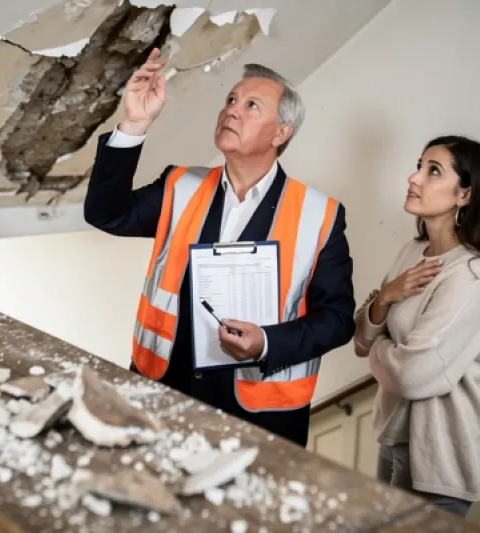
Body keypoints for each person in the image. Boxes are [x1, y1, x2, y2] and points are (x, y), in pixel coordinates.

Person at [83, 48, 356, 446]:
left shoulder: (321, 214)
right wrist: (134, 124)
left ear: (281, 133)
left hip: (260, 420)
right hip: (161, 394)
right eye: (230, 99)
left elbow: (337, 318)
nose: (231, 110)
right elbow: (106, 214)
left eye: (251, 106)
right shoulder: (180, 184)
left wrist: (266, 342)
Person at [352, 135, 480, 517]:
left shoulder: (475, 275)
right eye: (419, 166)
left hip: (439, 458)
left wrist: (381, 345)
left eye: (433, 171)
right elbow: (361, 340)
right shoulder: (411, 252)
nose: (414, 178)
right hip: (392, 442)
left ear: (464, 195)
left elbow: (412, 376)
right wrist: (384, 299)